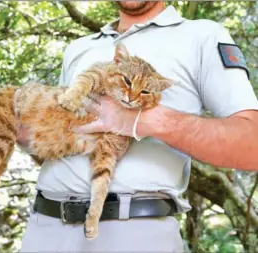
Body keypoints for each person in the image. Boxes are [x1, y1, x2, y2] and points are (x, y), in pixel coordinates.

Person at [19, 1, 258, 252]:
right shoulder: (78, 48)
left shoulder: (202, 35)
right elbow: (66, 144)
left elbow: (252, 144)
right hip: (44, 227)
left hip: (134, 233)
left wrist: (144, 121)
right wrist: (30, 138)